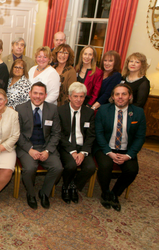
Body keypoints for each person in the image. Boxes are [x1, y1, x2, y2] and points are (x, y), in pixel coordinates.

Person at [95, 83, 146, 212]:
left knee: (132, 170)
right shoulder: (104, 110)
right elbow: (99, 134)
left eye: (124, 94)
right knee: (105, 166)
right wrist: (108, 152)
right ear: (112, 97)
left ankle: (115, 193)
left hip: (126, 150)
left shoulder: (138, 113)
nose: (120, 97)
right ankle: (105, 192)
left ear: (130, 96)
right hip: (105, 147)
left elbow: (140, 137)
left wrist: (128, 155)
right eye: (117, 94)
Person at [15, 82, 63, 209]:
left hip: (46, 146)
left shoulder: (52, 109)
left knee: (57, 168)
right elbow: (17, 134)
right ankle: (31, 194)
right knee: (30, 169)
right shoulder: (20, 108)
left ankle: (44, 193)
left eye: (41, 94)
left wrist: (48, 150)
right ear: (30, 94)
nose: (37, 96)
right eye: (35, 93)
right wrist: (29, 150)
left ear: (45, 95)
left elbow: (56, 133)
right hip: (27, 147)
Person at [57, 82, 96, 204]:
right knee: (71, 165)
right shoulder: (60, 111)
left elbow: (91, 135)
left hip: (82, 147)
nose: (78, 100)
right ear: (69, 97)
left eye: (81, 96)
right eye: (75, 96)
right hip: (66, 146)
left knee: (90, 167)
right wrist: (72, 151)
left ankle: (74, 186)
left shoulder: (89, 112)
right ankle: (65, 186)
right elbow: (59, 134)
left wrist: (83, 152)